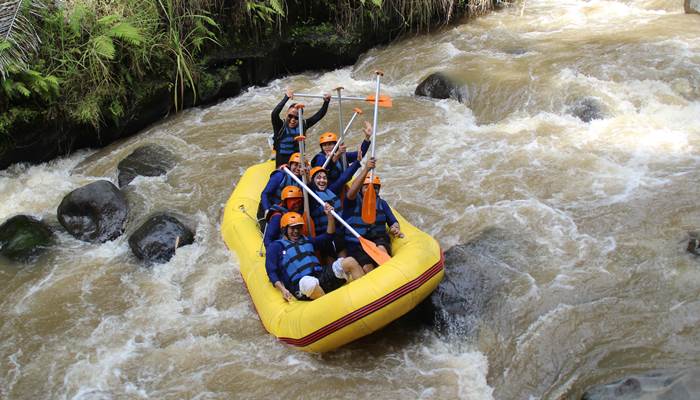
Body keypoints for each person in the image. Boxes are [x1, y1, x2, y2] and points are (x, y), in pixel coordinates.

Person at [265, 209, 365, 301]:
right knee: (309, 283)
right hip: (301, 286)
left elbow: (329, 236)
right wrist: (283, 290)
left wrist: (330, 216)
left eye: (298, 228)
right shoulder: (276, 247)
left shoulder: (308, 241)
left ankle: (364, 296)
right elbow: (271, 272)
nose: (296, 231)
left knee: (349, 261)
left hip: (321, 276)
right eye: (292, 228)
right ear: (284, 229)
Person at [342, 159, 403, 273]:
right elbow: (351, 193)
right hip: (358, 243)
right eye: (367, 187)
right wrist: (366, 169)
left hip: (378, 238)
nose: (371, 190)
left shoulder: (382, 203)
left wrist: (395, 228)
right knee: (367, 267)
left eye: (375, 187)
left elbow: (392, 221)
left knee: (381, 251)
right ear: (361, 189)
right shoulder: (352, 202)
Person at [272, 88, 331, 167]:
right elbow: (274, 114)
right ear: (286, 114)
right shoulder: (279, 126)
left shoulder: (303, 125)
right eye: (290, 116)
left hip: (298, 163)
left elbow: (319, 116)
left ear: (300, 118)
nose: (292, 120)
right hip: (283, 164)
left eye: (296, 118)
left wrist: (326, 102)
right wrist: (286, 98)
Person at [311, 121, 373, 186]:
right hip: (331, 187)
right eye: (324, 145)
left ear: (336, 145)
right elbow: (322, 170)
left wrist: (367, 138)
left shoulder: (342, 155)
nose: (327, 147)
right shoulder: (320, 158)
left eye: (330, 144)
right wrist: (335, 157)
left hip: (345, 183)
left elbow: (360, 154)